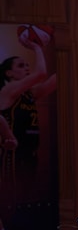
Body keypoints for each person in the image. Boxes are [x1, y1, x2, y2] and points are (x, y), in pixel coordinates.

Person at [0, 40, 56, 208]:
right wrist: (37, 46)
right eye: (21, 65)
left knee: (27, 195)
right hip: (12, 152)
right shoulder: (8, 91)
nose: (26, 68)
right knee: (12, 197)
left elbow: (54, 80)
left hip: (30, 153)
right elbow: (41, 73)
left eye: (27, 65)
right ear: (9, 73)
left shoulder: (30, 93)